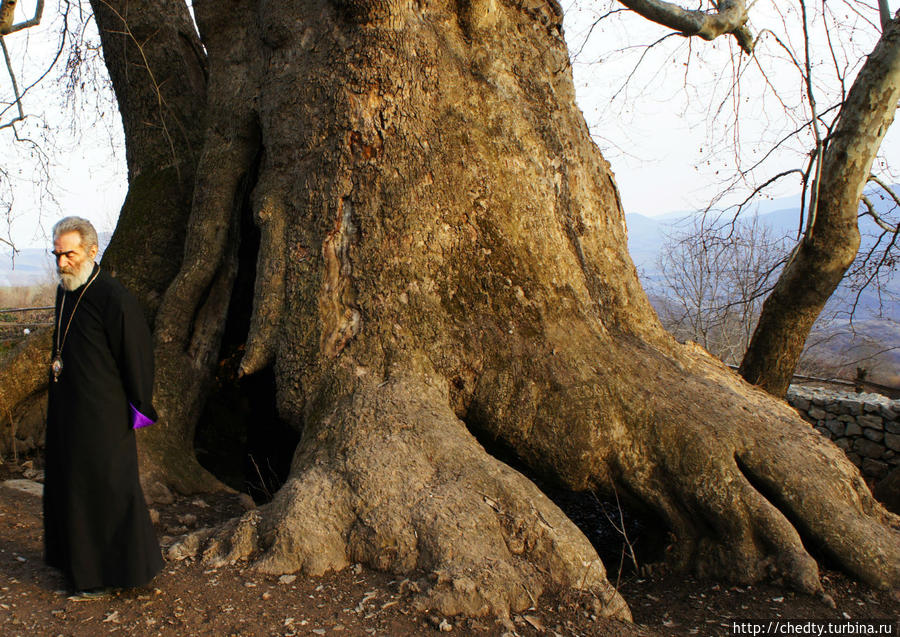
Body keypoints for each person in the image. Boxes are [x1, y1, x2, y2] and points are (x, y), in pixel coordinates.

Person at [43, 216, 163, 599]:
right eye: (57, 254)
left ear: (93, 252)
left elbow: (137, 358)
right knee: (71, 489)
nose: (61, 263)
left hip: (104, 417)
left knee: (106, 491)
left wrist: (138, 407)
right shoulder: (65, 292)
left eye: (69, 254)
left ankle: (109, 574)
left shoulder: (115, 298)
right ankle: (75, 566)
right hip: (67, 411)